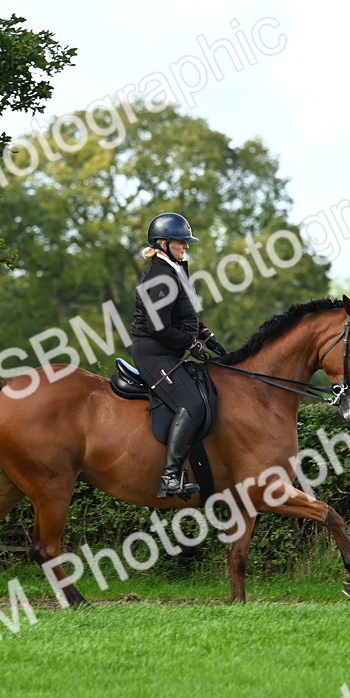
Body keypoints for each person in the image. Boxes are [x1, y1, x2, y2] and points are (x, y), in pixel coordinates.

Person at [130, 212, 227, 499]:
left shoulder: (176, 269)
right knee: (193, 404)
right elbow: (157, 326)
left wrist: (205, 335)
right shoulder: (158, 277)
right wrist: (189, 342)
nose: (186, 246)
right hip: (154, 353)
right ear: (163, 243)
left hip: (170, 349)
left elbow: (187, 313)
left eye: (186, 242)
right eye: (181, 242)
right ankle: (170, 477)